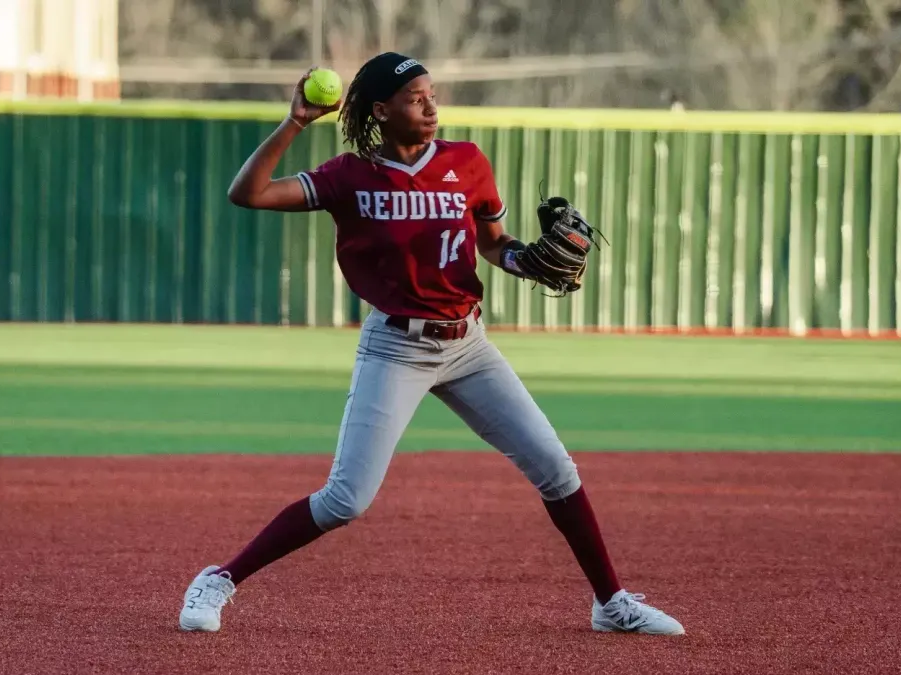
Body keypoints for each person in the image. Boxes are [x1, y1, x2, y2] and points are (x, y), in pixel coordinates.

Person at [177, 52, 684, 637]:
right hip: (396, 348)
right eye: (415, 98)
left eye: (432, 95)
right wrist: (296, 121)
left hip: (468, 345)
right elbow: (250, 193)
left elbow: (493, 244)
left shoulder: (467, 162)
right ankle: (220, 578)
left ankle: (611, 603)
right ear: (380, 110)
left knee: (555, 467)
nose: (430, 106)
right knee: (346, 500)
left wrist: (526, 261)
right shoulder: (350, 175)